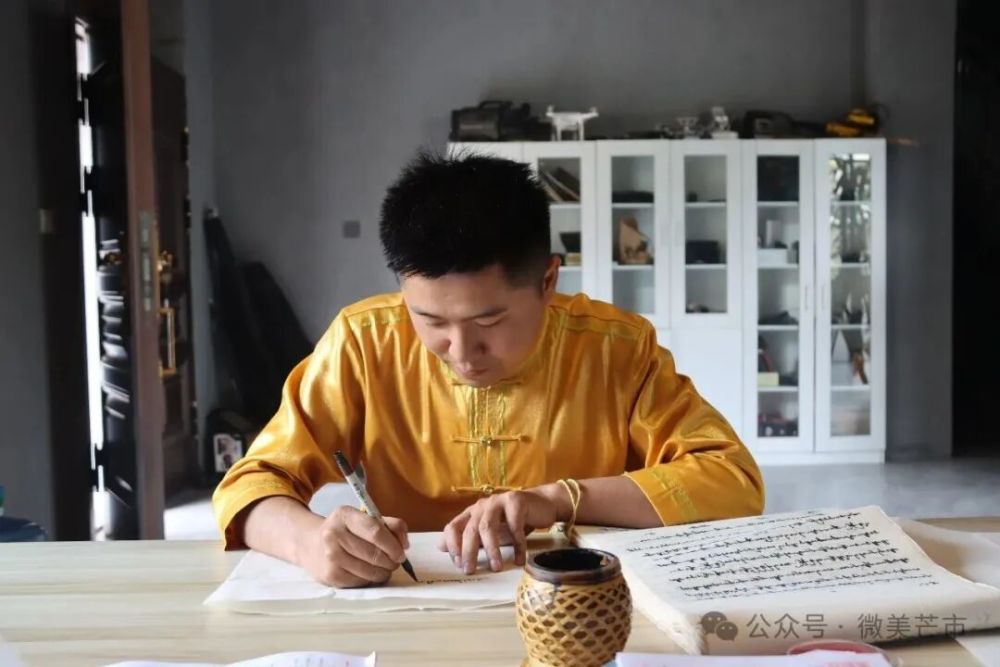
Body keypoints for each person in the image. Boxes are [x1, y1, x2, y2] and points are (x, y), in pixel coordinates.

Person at [213, 151, 764, 589]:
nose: (461, 351)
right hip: (414, 605)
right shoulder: (364, 342)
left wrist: (558, 499)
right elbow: (250, 486)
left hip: (575, 603)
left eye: (489, 320)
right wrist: (310, 542)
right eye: (430, 320)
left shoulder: (614, 348)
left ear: (548, 282)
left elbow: (732, 481)